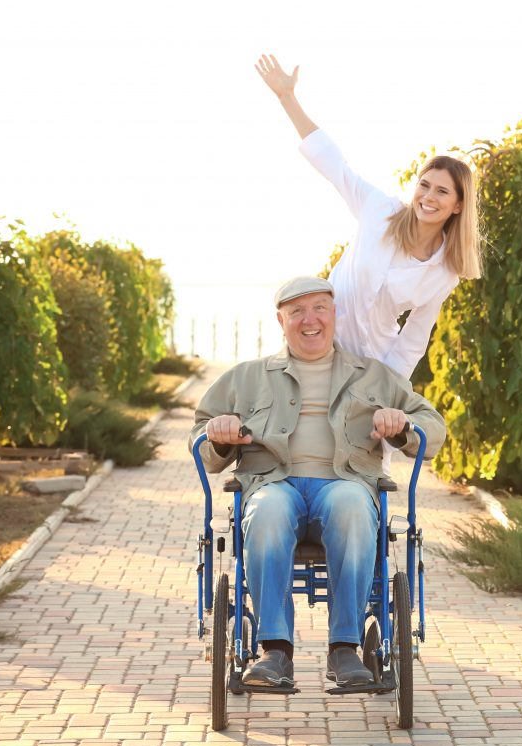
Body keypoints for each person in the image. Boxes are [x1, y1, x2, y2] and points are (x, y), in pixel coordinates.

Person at [189, 275, 445, 690]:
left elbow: (432, 426)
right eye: (297, 311)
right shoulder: (247, 377)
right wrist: (220, 430)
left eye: (319, 308)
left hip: (344, 483)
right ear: (281, 320)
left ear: (334, 313)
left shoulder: (373, 377)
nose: (310, 320)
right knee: (266, 510)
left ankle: (344, 647)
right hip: (273, 483)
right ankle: (274, 650)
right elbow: (200, 435)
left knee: (350, 506)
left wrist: (403, 424)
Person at [255, 53, 482, 382]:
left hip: (372, 365)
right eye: (424, 185)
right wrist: (287, 97)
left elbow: (413, 340)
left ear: (459, 206)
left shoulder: (445, 271)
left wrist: (386, 391)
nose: (429, 197)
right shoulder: (380, 210)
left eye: (442, 192)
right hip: (317, 347)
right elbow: (334, 165)